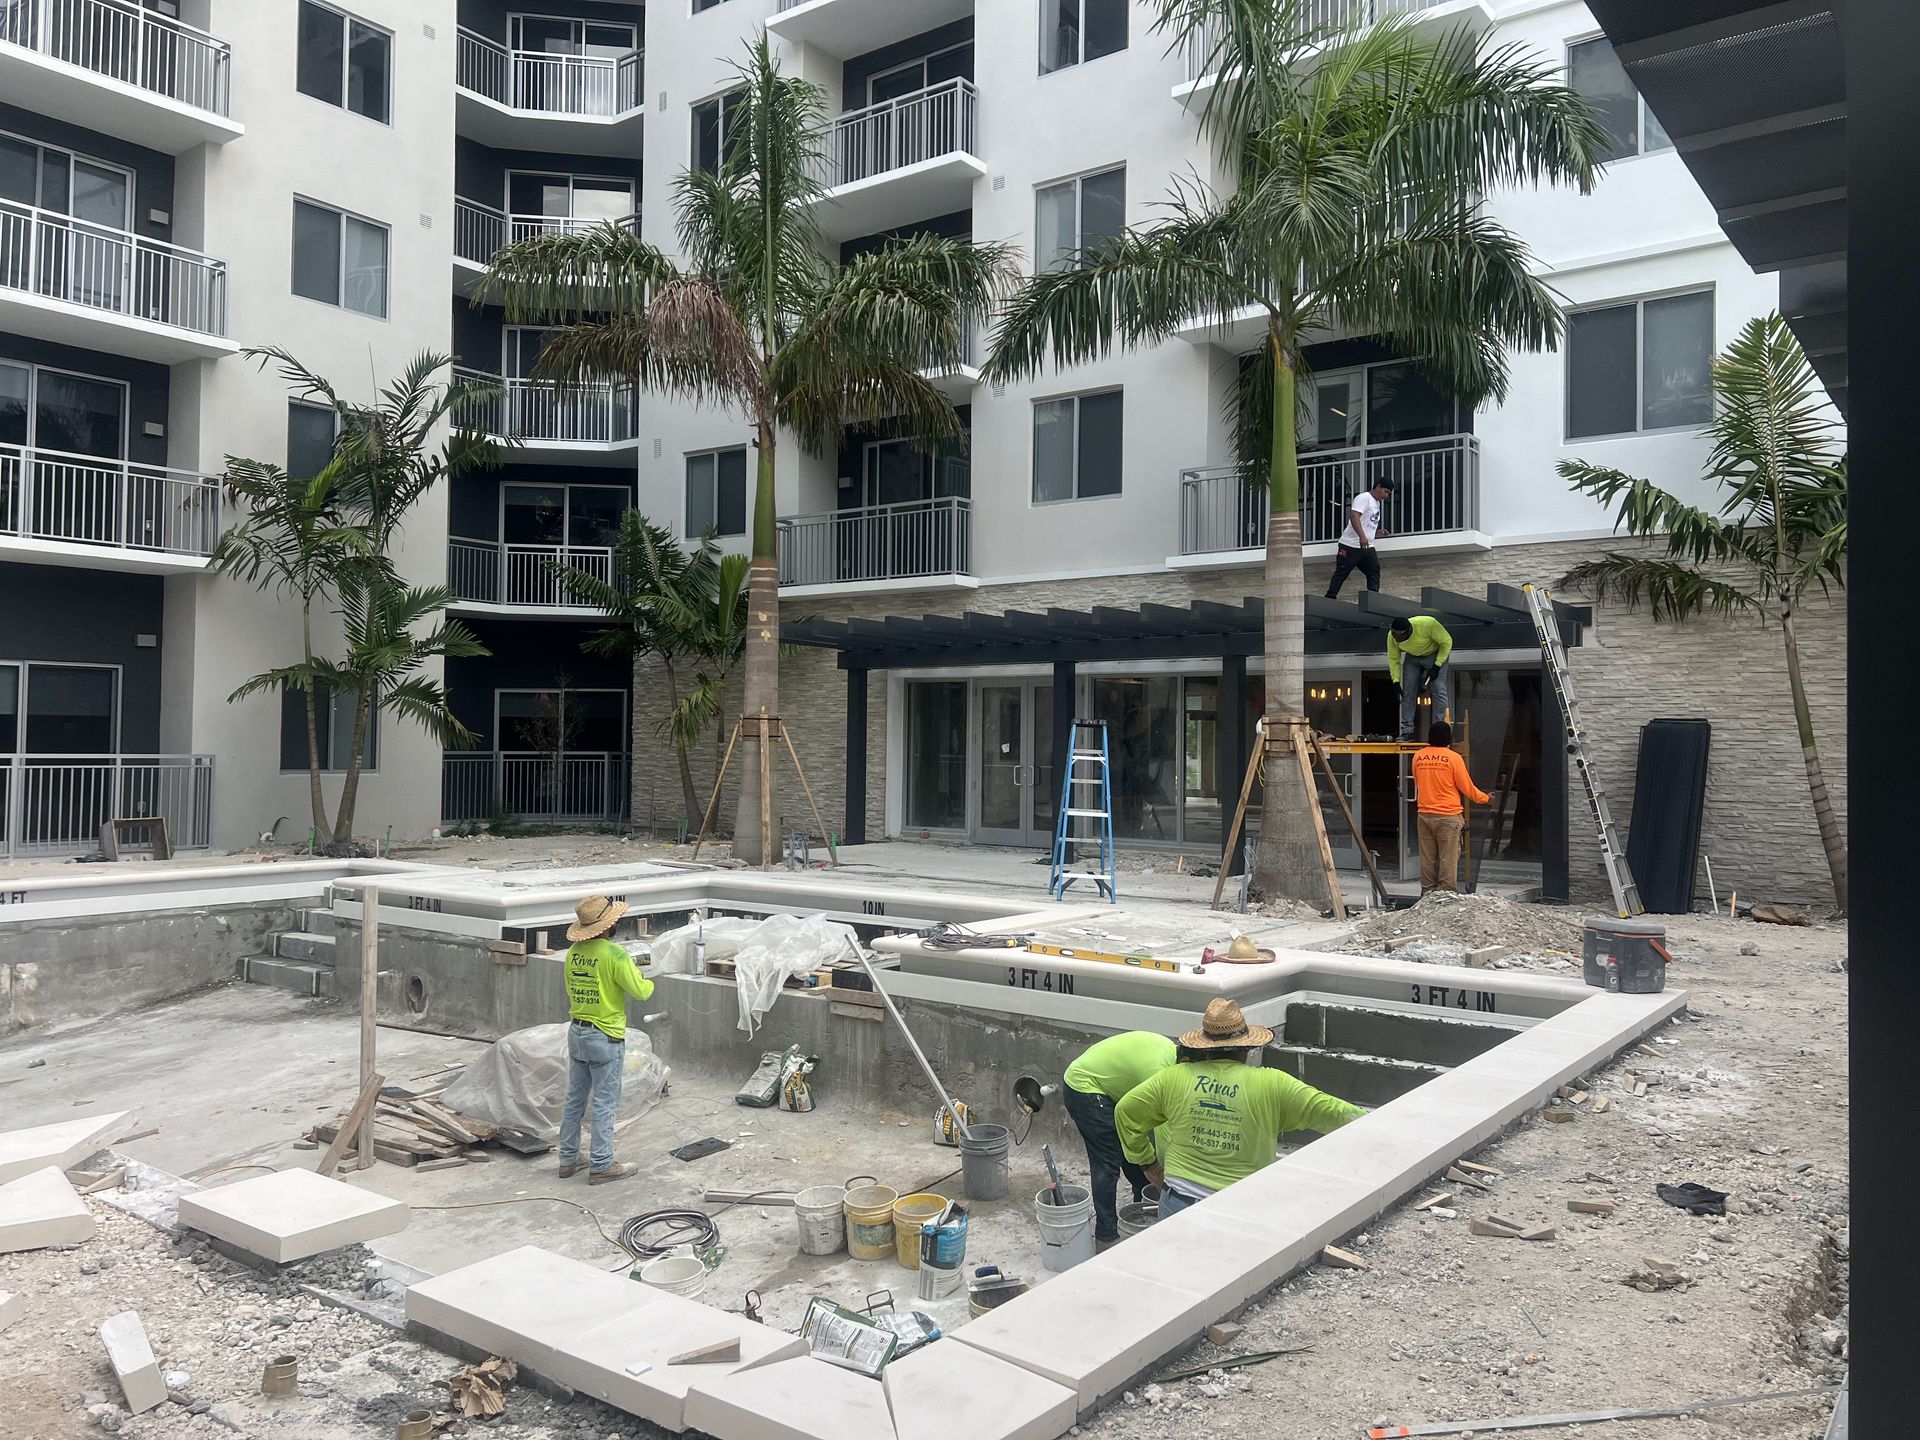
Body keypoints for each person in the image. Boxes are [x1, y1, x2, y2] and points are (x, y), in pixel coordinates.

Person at [1115, 999, 1363, 1218]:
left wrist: (1148, 1165)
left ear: (1204, 1045)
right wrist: (1385, 1125)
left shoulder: (1172, 1078)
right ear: (1247, 1047)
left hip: (1178, 1202)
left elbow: (1125, 1112)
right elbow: (1334, 1112)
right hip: (1240, 1207)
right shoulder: (1273, 1084)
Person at [556, 895, 654, 1183]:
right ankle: (601, 1164)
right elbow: (641, 992)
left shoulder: (573, 953)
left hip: (577, 1032)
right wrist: (646, 976)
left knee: (575, 1099)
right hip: (605, 1036)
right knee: (604, 1102)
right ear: (609, 926)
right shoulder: (615, 955)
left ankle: (569, 1158)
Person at [1062, 1031, 1177, 1248]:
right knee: (1107, 1162)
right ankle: (1106, 1236)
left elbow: (1137, 1129)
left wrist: (1150, 1165)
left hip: (1109, 1089)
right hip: (1085, 1087)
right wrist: (1166, 1178)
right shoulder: (1163, 1075)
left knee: (1133, 1152)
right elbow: (1164, 1135)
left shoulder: (1172, 1055)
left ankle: (1141, 1207)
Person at [1412, 720, 1490, 894]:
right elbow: (1467, 788)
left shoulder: (1418, 756)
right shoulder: (1453, 758)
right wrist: (1485, 798)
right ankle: (1446, 893)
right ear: (1449, 738)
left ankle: (1427, 892)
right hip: (1448, 816)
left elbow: (1418, 782)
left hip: (1424, 814)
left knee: (1427, 858)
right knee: (1448, 858)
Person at [1325, 478, 1394, 598]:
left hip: (1366, 546)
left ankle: (1373, 598)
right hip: (1350, 545)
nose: (1386, 496)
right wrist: (1362, 537)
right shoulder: (1364, 498)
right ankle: (1330, 596)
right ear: (1378, 487)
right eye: (1385, 491)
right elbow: (1354, 516)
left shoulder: (1376, 503)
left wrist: (1377, 533)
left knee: (1374, 570)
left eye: (1389, 493)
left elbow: (1366, 524)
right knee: (1342, 573)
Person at [1388, 614, 1453, 739]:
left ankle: (1440, 729)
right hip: (1412, 658)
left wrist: (1437, 665)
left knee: (1437, 688)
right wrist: (1395, 681)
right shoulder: (1392, 636)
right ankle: (1407, 730)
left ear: (1409, 631)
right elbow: (1393, 658)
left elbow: (1447, 641)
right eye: (1394, 634)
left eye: (1400, 636)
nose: (1396, 638)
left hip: (1434, 654)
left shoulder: (1427, 624)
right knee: (1408, 691)